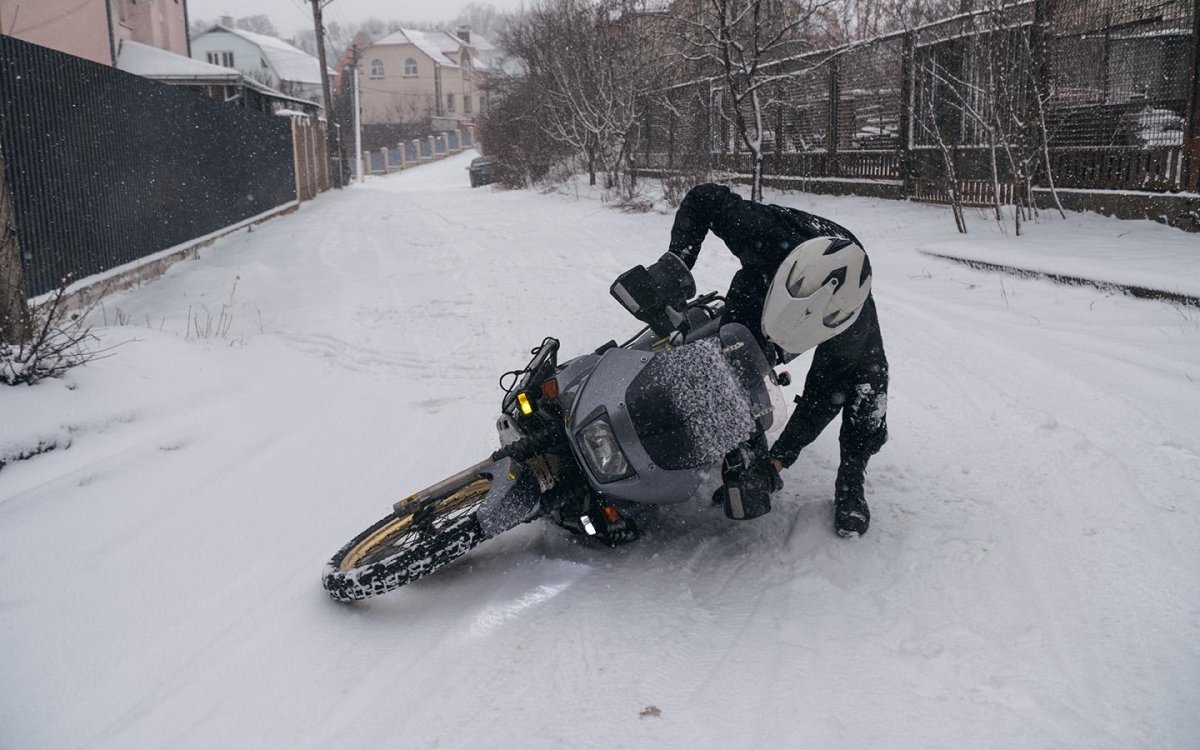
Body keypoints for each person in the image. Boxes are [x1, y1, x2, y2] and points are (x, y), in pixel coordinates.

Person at [667, 183, 888, 537]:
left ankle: (851, 480)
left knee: (868, 393)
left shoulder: (849, 324)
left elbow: (822, 398)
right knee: (732, 362)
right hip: (759, 286)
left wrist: (778, 460)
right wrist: (677, 262)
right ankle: (732, 442)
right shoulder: (763, 233)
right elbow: (704, 198)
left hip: (835, 314)